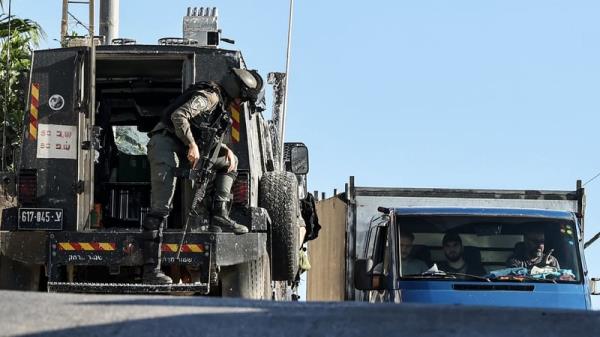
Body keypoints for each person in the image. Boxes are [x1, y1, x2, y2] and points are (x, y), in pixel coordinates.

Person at [141, 68, 264, 284]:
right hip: (165, 144)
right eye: (242, 97)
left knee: (230, 163)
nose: (241, 102)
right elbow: (179, 115)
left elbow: (203, 130)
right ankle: (151, 271)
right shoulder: (209, 97)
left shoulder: (220, 106)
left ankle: (219, 213)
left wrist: (224, 149)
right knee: (161, 208)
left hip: (182, 147)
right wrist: (192, 145)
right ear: (237, 90)